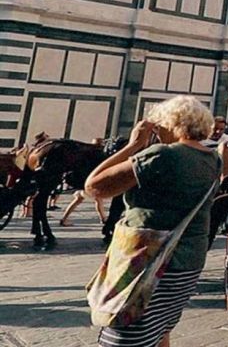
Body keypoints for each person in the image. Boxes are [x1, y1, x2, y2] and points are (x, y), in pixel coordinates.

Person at [85, 95, 221, 347]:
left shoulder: (162, 155)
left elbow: (93, 187)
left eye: (160, 124)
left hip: (149, 261)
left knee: (125, 336)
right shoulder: (213, 159)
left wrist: (133, 146)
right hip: (188, 263)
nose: (157, 130)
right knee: (160, 331)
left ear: (172, 123)